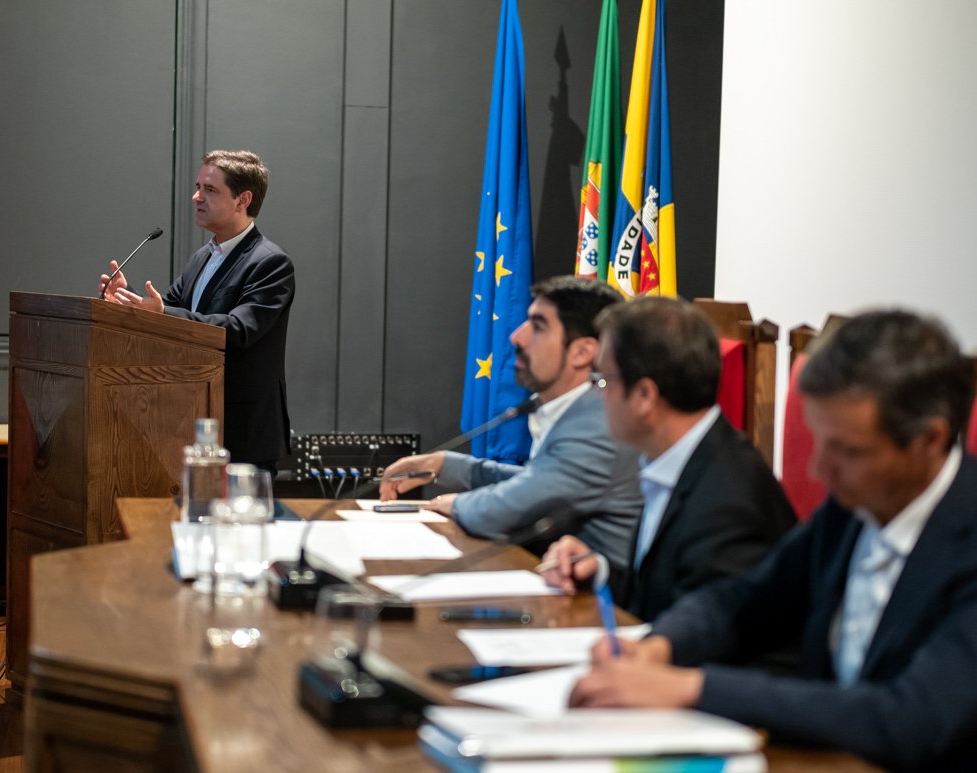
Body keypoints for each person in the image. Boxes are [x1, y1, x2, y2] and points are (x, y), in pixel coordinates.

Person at [567, 310, 977, 772]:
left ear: (929, 439)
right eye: (820, 441)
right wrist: (661, 645)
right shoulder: (854, 507)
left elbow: (910, 718)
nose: (818, 470)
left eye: (847, 450)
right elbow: (745, 599)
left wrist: (693, 687)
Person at [541, 297, 795, 621]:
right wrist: (597, 571)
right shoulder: (675, 458)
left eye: (603, 380)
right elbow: (662, 592)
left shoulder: (727, 500)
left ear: (644, 396)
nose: (597, 394)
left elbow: (706, 630)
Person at [380, 276, 642, 570]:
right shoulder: (584, 410)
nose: (517, 337)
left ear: (582, 352)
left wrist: (453, 504)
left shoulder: (598, 423)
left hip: (606, 595)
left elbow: (506, 509)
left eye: (538, 326)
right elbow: (534, 481)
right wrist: (442, 464)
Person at [99, 150, 293, 472]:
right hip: (191, 422)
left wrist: (161, 313)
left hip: (242, 432)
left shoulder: (270, 262)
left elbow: (239, 329)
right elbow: (171, 311)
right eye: (197, 187)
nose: (196, 197)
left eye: (210, 190)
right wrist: (128, 299)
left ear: (243, 200)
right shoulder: (202, 257)